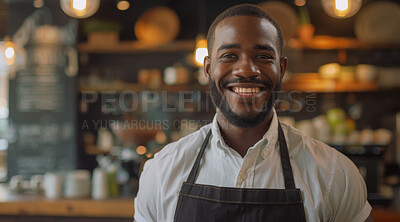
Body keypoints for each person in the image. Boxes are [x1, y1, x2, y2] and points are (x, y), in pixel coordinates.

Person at [134, 4, 373, 222]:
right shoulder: (162, 171)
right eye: (229, 56)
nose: (246, 69)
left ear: (281, 69)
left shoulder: (334, 174)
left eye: (263, 56)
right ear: (208, 69)